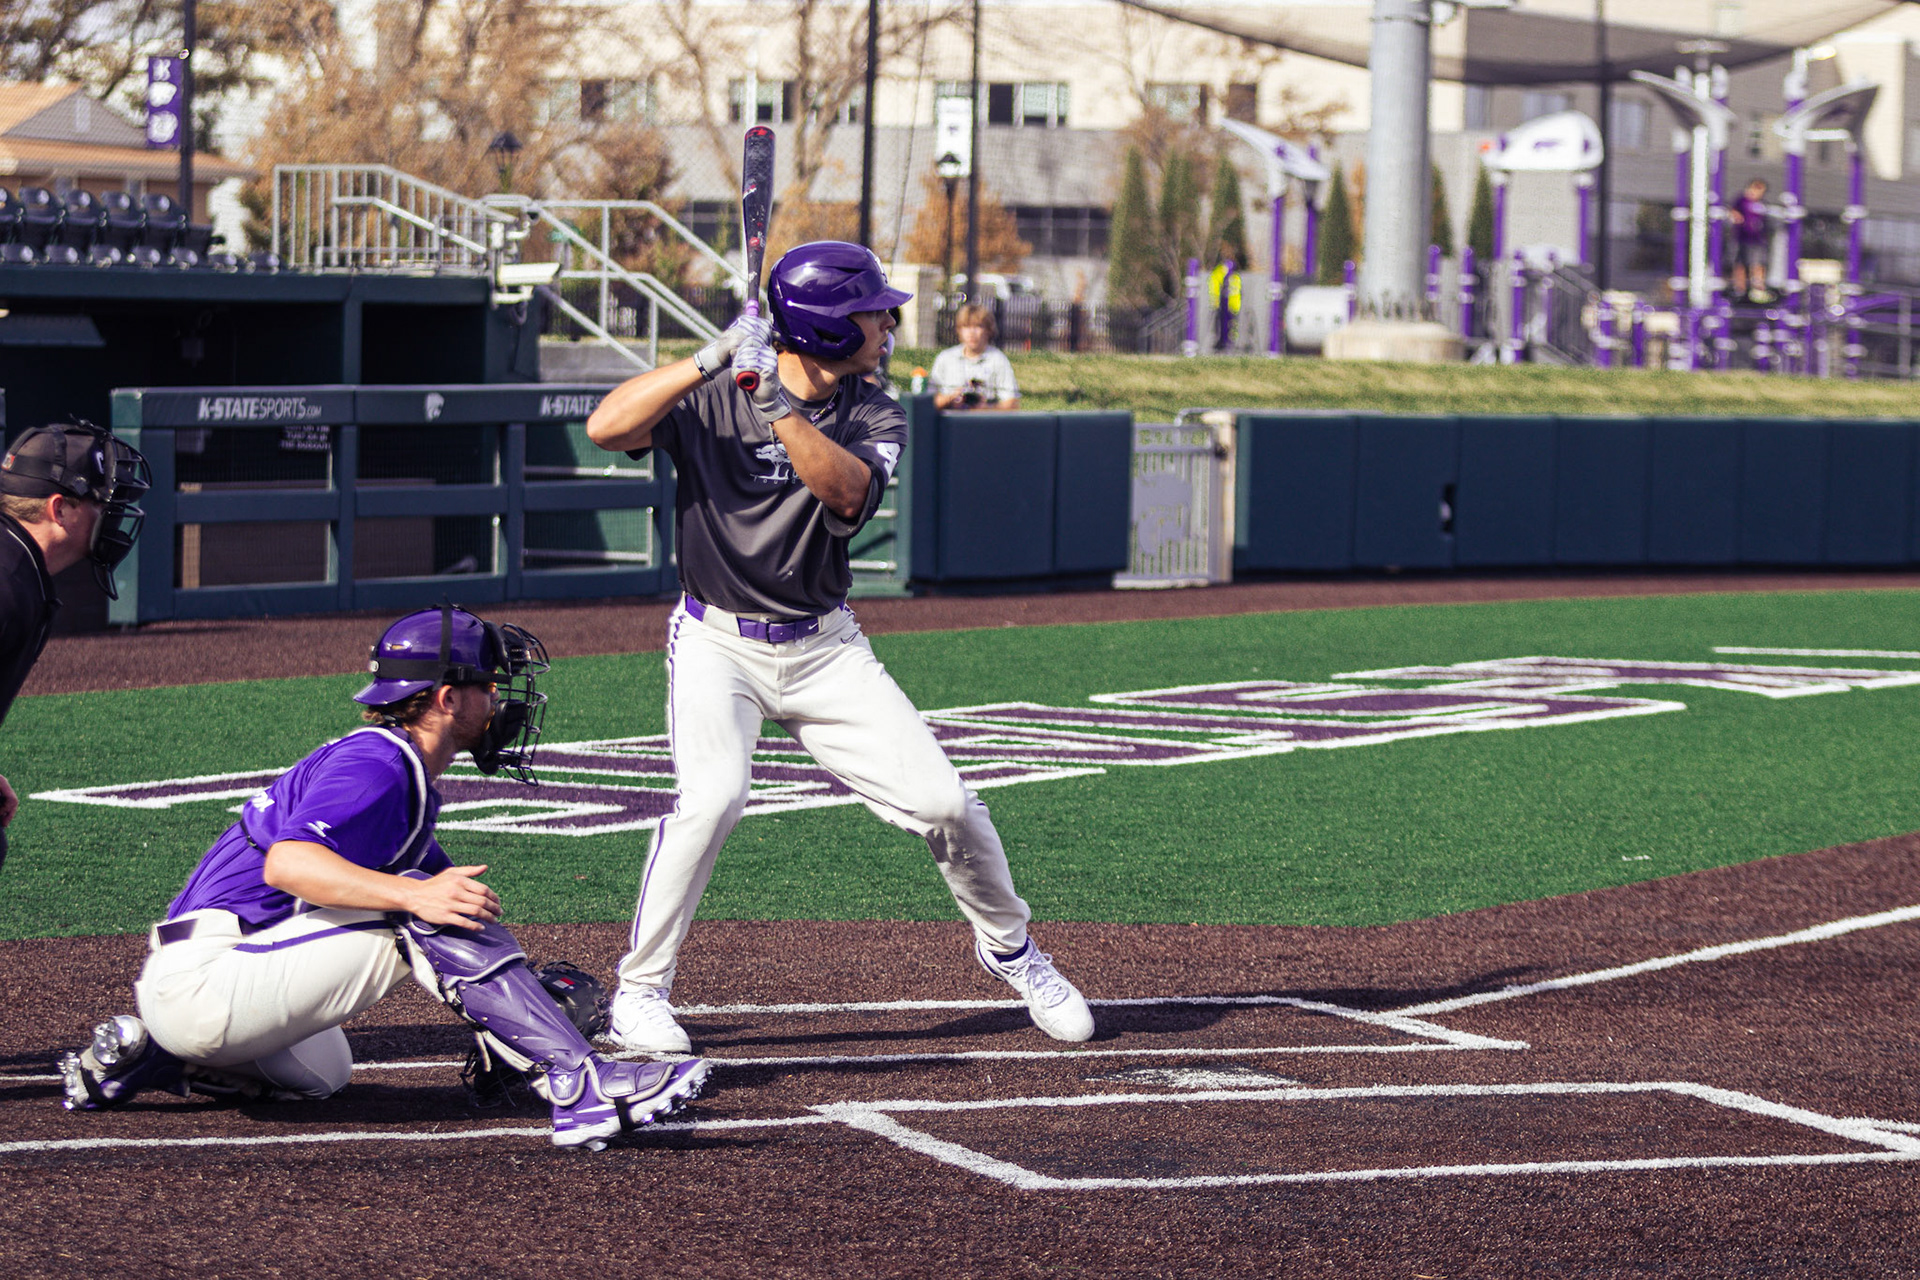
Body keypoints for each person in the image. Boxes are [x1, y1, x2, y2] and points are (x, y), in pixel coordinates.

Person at [584, 240, 1093, 1055]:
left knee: (946, 805)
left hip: (826, 646)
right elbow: (605, 427)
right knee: (709, 801)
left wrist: (774, 404)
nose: (888, 323)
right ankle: (639, 994)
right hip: (717, 643)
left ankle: (1014, 951)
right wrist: (707, 357)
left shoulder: (872, 409)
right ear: (823, 324)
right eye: (871, 311)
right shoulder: (715, 392)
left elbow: (847, 492)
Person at [55, 605, 708, 1150]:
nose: (500, 703)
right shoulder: (379, 762)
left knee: (322, 1071)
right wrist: (414, 896)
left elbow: (465, 927)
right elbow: (290, 865)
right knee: (423, 910)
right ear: (448, 699)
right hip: (206, 977)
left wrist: (519, 1016)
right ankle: (580, 1083)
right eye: (487, 687)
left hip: (212, 990)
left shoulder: (401, 776)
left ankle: (153, 1056)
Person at [1, 422, 150, 870]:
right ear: (60, 509)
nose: (115, 512)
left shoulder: (16, 563)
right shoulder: (7, 583)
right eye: (101, 502)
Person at [930, 302, 1021, 411]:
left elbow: (1012, 403)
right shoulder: (945, 359)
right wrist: (951, 398)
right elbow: (929, 401)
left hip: (984, 423)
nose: (972, 333)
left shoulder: (997, 360)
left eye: (978, 326)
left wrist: (986, 408)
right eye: (966, 327)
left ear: (988, 330)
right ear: (959, 330)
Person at [1729, 178, 1772, 302]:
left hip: (1757, 240)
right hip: (1742, 238)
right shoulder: (1741, 201)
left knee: (1757, 264)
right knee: (1740, 264)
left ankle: (1758, 289)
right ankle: (1739, 289)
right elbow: (1734, 213)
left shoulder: (1762, 204)